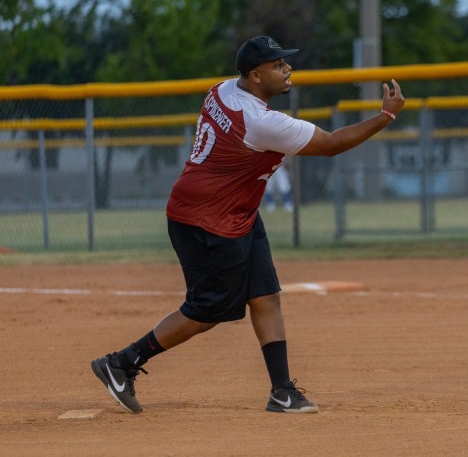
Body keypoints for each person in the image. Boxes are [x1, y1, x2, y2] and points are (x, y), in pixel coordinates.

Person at [91, 35, 404, 414]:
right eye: (277, 65)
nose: (287, 68)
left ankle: (282, 391)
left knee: (265, 295)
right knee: (205, 312)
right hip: (207, 221)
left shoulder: (223, 89)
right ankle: (122, 362)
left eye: (285, 62)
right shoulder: (261, 122)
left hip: (233, 213)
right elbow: (333, 142)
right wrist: (386, 116)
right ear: (255, 75)